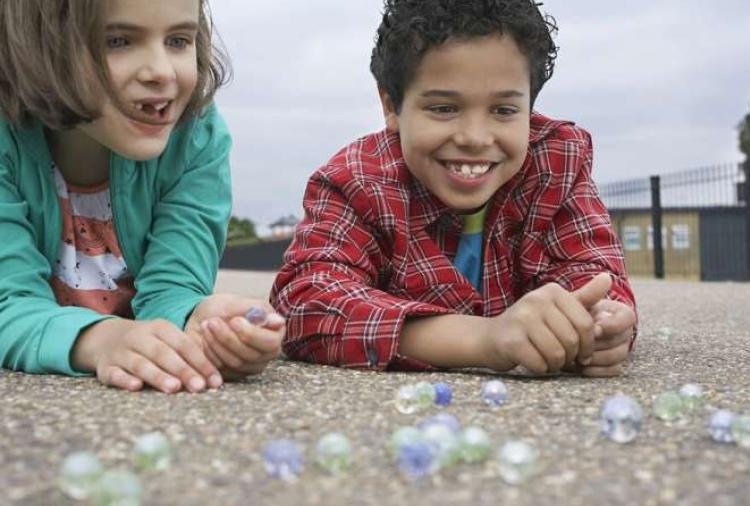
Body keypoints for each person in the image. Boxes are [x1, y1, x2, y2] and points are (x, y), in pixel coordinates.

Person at [271, 0, 637, 377]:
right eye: (444, 108)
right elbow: (307, 303)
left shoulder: (558, 163)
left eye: (504, 110)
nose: (475, 138)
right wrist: (483, 340)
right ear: (391, 106)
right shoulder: (356, 182)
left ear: (530, 106)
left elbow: (592, 273)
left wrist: (597, 322)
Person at [0, 0, 284, 393]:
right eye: (118, 40)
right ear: (37, 46)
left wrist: (201, 320)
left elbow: (174, 287)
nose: (162, 72)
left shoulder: (196, 138)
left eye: (179, 40)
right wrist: (102, 341)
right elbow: (7, 301)